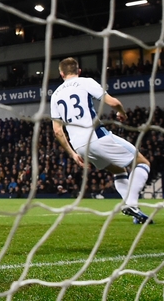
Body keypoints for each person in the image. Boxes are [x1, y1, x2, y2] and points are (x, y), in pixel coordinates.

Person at [50, 57, 153, 224]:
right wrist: (122, 112)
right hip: (96, 137)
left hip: (79, 146)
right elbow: (113, 102)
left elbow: (57, 131)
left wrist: (74, 155)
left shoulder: (55, 95)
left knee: (119, 170)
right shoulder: (85, 82)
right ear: (79, 71)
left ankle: (136, 213)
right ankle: (132, 204)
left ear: (61, 73)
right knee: (142, 163)